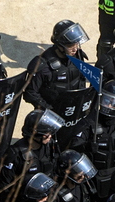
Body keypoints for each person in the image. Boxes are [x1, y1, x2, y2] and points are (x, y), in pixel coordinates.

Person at [24, 20, 95, 151]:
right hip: (52, 120)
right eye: (71, 45)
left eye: (77, 44)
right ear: (59, 45)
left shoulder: (78, 56)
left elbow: (81, 81)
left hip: (75, 116)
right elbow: (29, 93)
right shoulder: (43, 65)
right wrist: (49, 110)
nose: (75, 48)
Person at [88, 80, 115, 176]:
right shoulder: (90, 122)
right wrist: (86, 147)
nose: (110, 106)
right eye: (106, 101)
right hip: (96, 177)